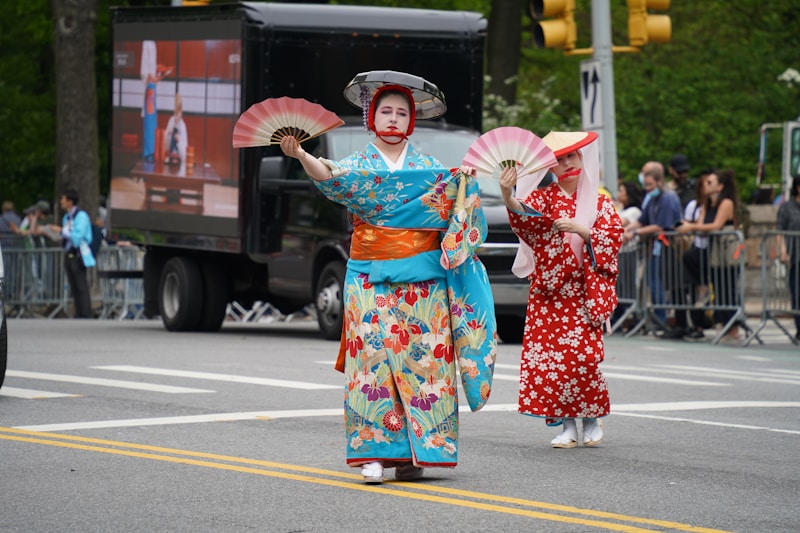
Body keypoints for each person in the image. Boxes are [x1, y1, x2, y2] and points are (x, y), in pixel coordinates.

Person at [279, 71, 497, 484]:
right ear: (371, 118)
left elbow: (458, 204)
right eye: (385, 112)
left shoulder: (430, 168)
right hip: (369, 277)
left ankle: (417, 452)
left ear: (412, 121)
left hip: (424, 281)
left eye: (401, 112)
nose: (393, 119)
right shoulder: (358, 165)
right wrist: (303, 156)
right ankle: (374, 454)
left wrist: (467, 182)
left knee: (427, 362)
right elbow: (331, 176)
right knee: (372, 361)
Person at [499, 130, 623, 448]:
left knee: (583, 359)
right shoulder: (543, 198)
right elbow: (523, 219)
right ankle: (567, 425)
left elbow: (613, 235)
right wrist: (507, 194)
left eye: (572, 156)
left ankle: (592, 419)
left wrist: (583, 230)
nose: (567, 163)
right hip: (550, 292)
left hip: (583, 292)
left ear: (581, 158)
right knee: (555, 363)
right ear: (550, 167)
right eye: (559, 159)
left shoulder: (599, 201)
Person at [677, 169, 743, 343]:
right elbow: (700, 225)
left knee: (727, 288)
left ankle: (733, 329)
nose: (705, 185)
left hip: (725, 251)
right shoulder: (706, 204)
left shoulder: (726, 202)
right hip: (713, 251)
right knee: (692, 259)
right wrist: (689, 226)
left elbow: (716, 225)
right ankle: (703, 291)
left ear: (720, 186)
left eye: (710, 183)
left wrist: (690, 228)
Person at [624, 162, 684, 335]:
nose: (648, 189)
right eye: (646, 185)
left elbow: (659, 226)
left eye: (650, 185)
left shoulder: (668, 198)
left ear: (660, 181)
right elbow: (643, 219)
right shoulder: (654, 198)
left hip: (666, 247)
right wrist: (625, 230)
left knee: (660, 284)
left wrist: (634, 232)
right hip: (654, 247)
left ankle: (662, 319)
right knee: (653, 284)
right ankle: (658, 318)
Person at [50, 189, 96, 318]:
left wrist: (60, 230)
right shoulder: (67, 217)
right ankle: (79, 312)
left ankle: (86, 313)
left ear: (70, 202)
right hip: (68, 252)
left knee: (81, 285)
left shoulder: (81, 216)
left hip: (78, 253)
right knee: (73, 285)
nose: (61, 202)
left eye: (63, 199)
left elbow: (77, 236)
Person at [776, 175, 800, 341]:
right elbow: (780, 231)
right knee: (797, 293)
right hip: (796, 256)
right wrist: (783, 252)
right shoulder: (787, 207)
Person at [163, 93, 188, 165]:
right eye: (175, 114)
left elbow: (185, 155)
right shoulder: (171, 121)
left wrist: (179, 141)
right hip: (170, 158)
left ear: (181, 114)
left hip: (180, 161)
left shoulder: (183, 126)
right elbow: (165, 146)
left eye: (178, 114)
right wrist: (168, 134)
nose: (176, 117)